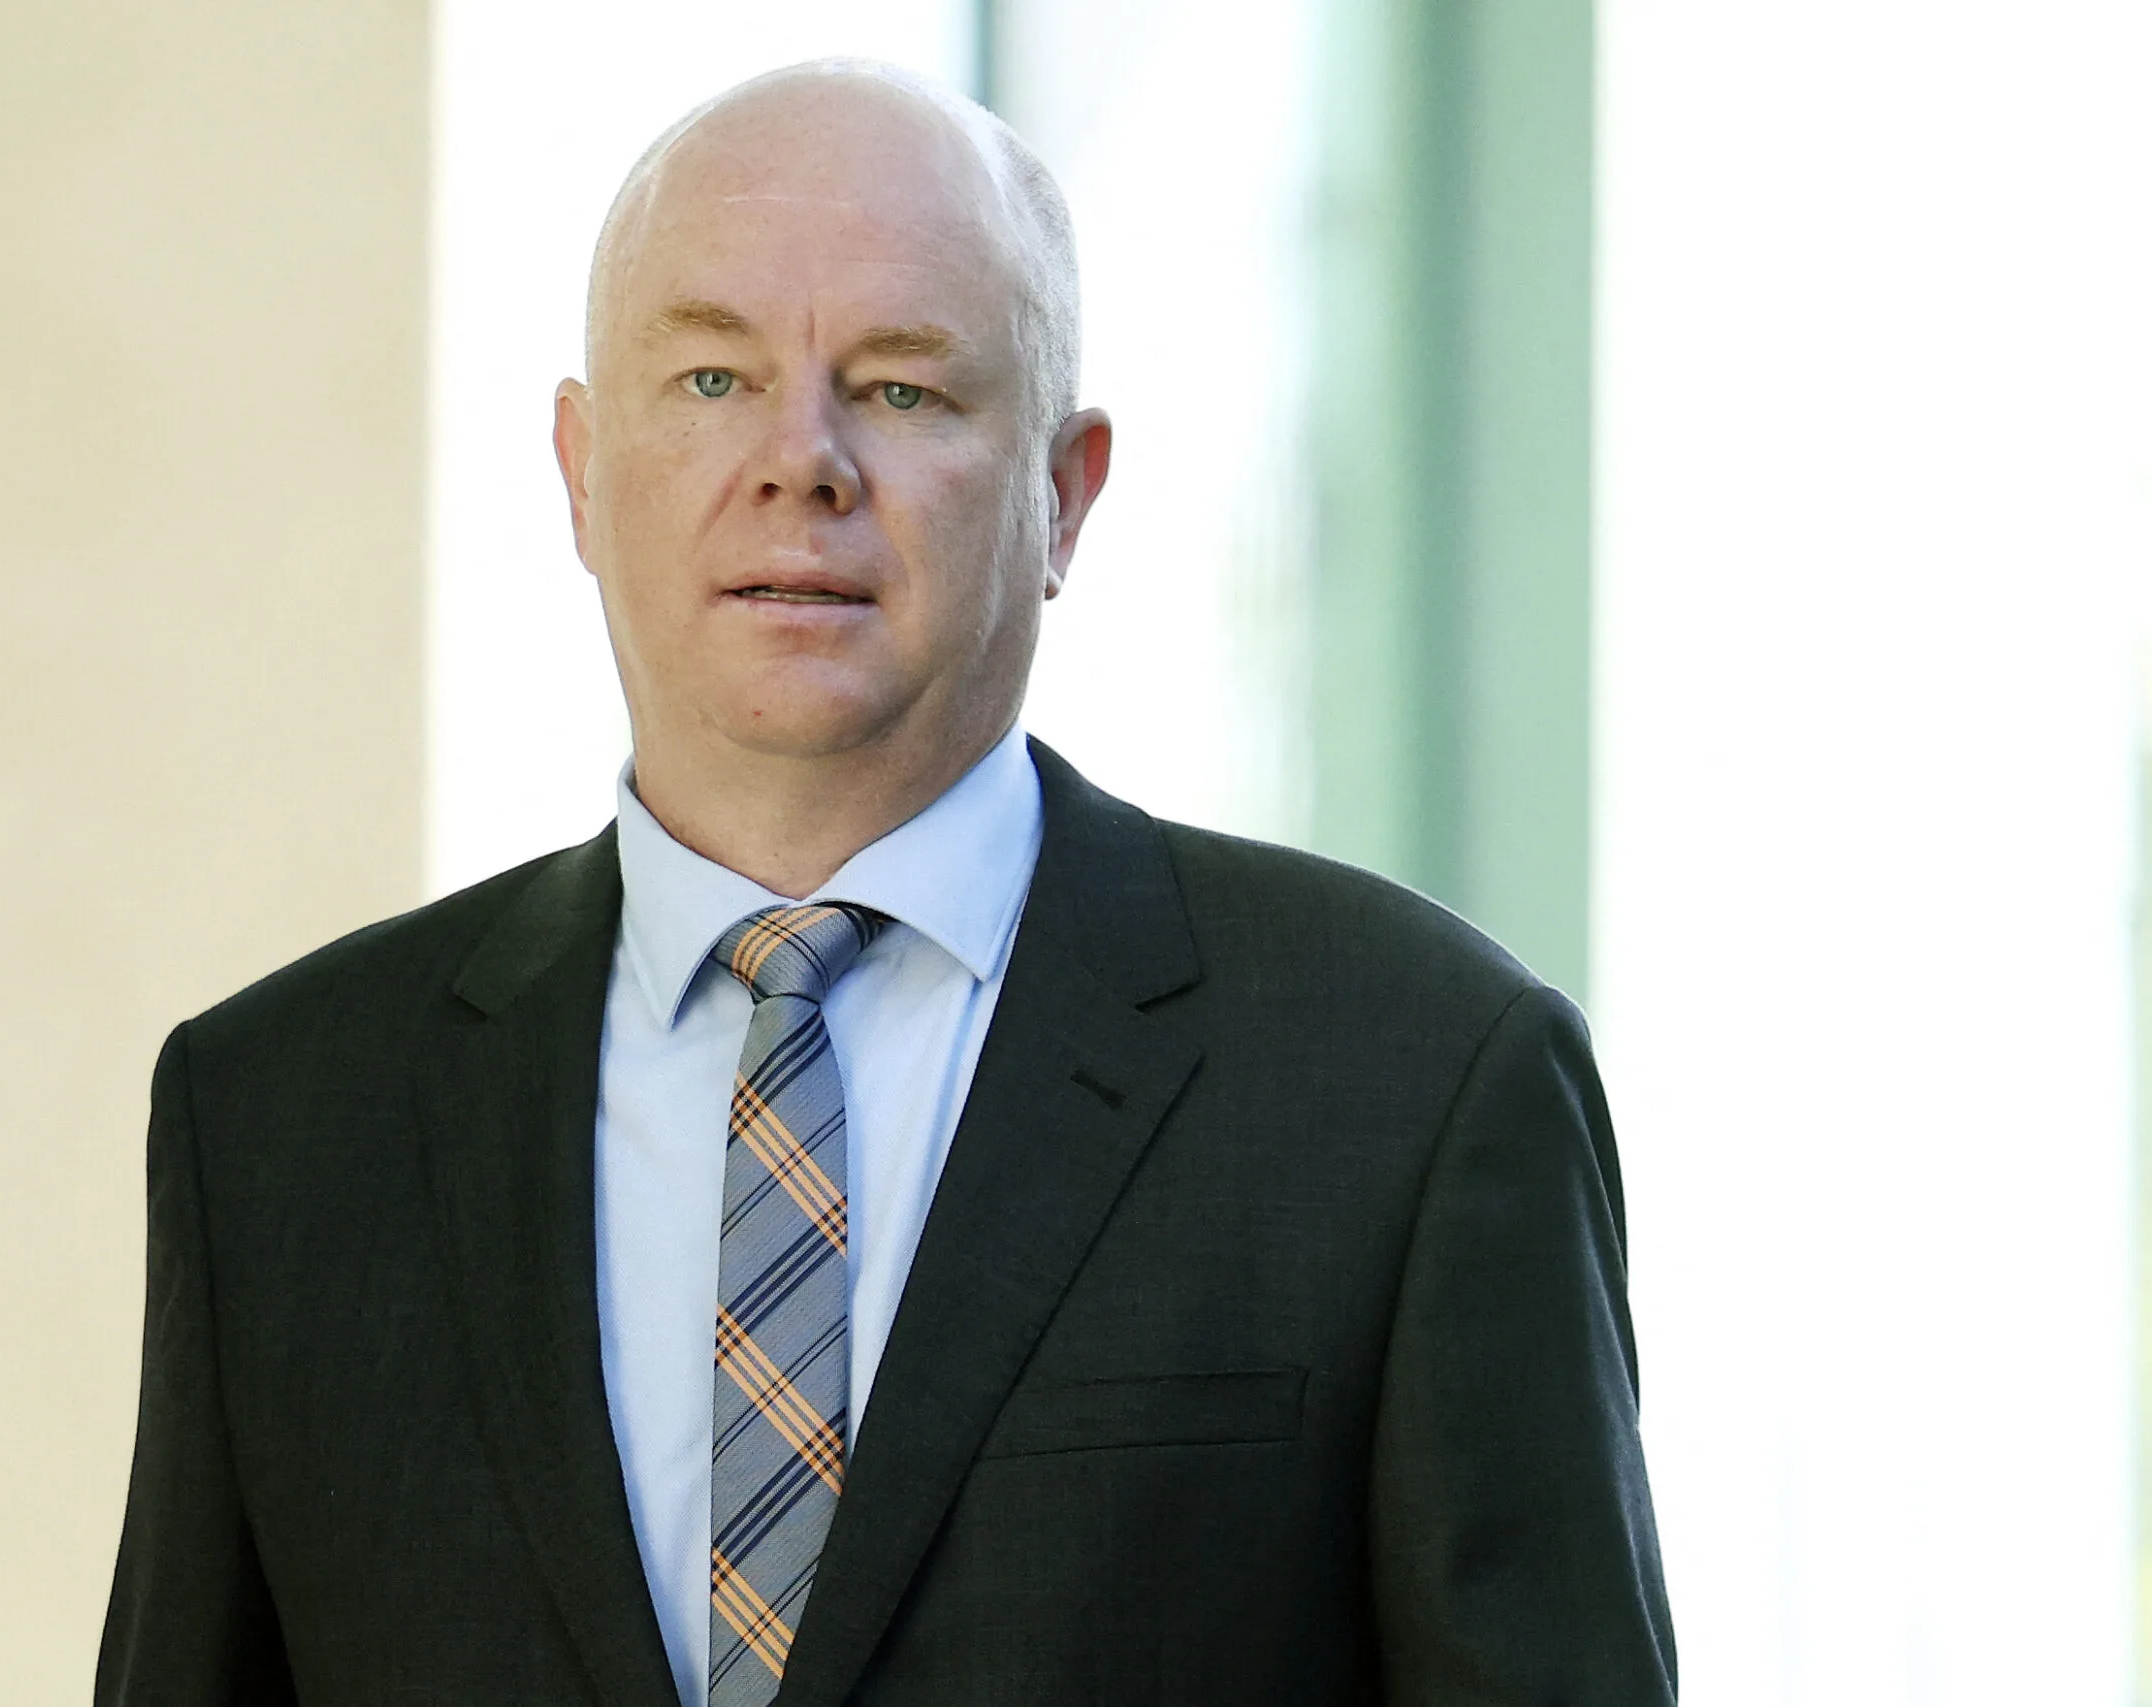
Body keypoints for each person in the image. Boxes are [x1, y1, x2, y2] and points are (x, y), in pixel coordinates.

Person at [96, 59, 1675, 1707]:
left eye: (905, 389)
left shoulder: (1414, 1079)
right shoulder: (280, 1121)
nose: (802, 461)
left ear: (1064, 495)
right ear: (578, 470)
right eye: (710, 379)